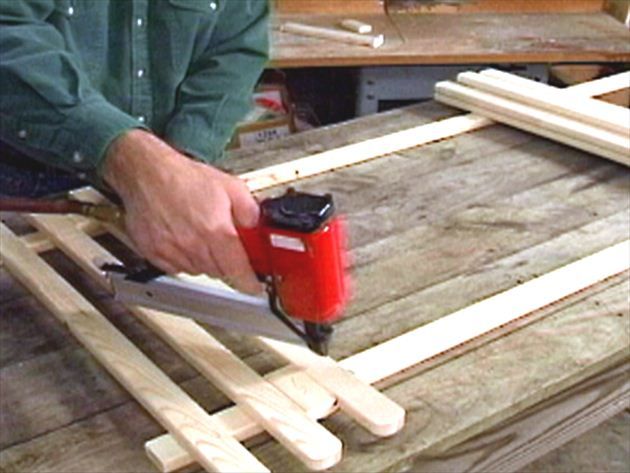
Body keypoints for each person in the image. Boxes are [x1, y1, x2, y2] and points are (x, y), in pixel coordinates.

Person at [0, 0, 270, 294]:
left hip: (156, 179)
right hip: (22, 186)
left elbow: (236, 43)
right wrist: (133, 160)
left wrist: (182, 159)